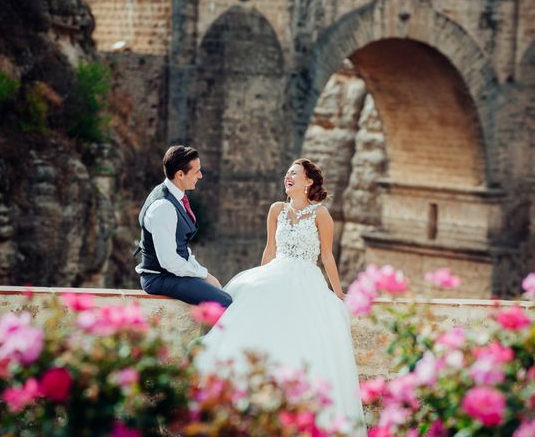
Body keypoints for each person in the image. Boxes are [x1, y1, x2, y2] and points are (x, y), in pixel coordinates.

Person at [196, 158, 366, 433]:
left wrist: (338, 292)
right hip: (276, 272)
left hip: (306, 278)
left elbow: (326, 255)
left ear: (308, 182)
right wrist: (261, 278)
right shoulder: (276, 210)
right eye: (287, 172)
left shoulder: (321, 214)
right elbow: (269, 250)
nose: (288, 177)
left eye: (294, 173)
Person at [135, 145, 232, 308]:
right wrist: (204, 275)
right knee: (224, 302)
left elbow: (181, 248)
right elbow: (169, 261)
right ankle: (208, 335)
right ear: (180, 174)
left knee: (223, 292)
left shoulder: (172, 196)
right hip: (159, 278)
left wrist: (202, 272)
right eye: (196, 172)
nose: (200, 176)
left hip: (171, 274)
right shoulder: (164, 207)